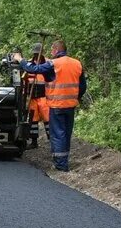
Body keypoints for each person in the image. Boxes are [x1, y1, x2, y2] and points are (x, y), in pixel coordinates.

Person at [13, 39, 86, 171]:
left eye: (52, 49)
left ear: (56, 50)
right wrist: (77, 97)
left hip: (57, 105)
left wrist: (20, 59)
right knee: (66, 133)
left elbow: (33, 69)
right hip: (70, 105)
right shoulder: (77, 63)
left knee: (58, 134)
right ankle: (64, 161)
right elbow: (82, 86)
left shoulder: (54, 63)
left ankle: (61, 165)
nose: (51, 52)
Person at [22, 42, 49, 148]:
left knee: (48, 119)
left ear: (42, 53)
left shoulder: (48, 63)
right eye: (35, 53)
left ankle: (53, 141)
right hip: (32, 97)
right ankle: (34, 142)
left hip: (44, 97)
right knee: (33, 120)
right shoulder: (29, 65)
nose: (36, 55)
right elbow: (24, 80)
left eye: (38, 53)